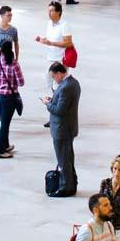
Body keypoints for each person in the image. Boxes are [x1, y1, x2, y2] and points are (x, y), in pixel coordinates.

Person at [45, 61, 81, 197]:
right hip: (68, 127)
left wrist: (48, 104)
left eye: (54, 76)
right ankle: (71, 184)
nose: (54, 79)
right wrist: (53, 100)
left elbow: (60, 110)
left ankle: (66, 187)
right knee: (68, 157)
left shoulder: (65, 87)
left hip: (62, 129)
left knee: (63, 159)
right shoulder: (74, 83)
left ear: (60, 73)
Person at [0, 39, 25, 159]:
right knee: (5, 124)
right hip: (8, 97)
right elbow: (21, 83)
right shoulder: (14, 64)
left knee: (5, 121)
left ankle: (6, 145)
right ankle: (0, 150)